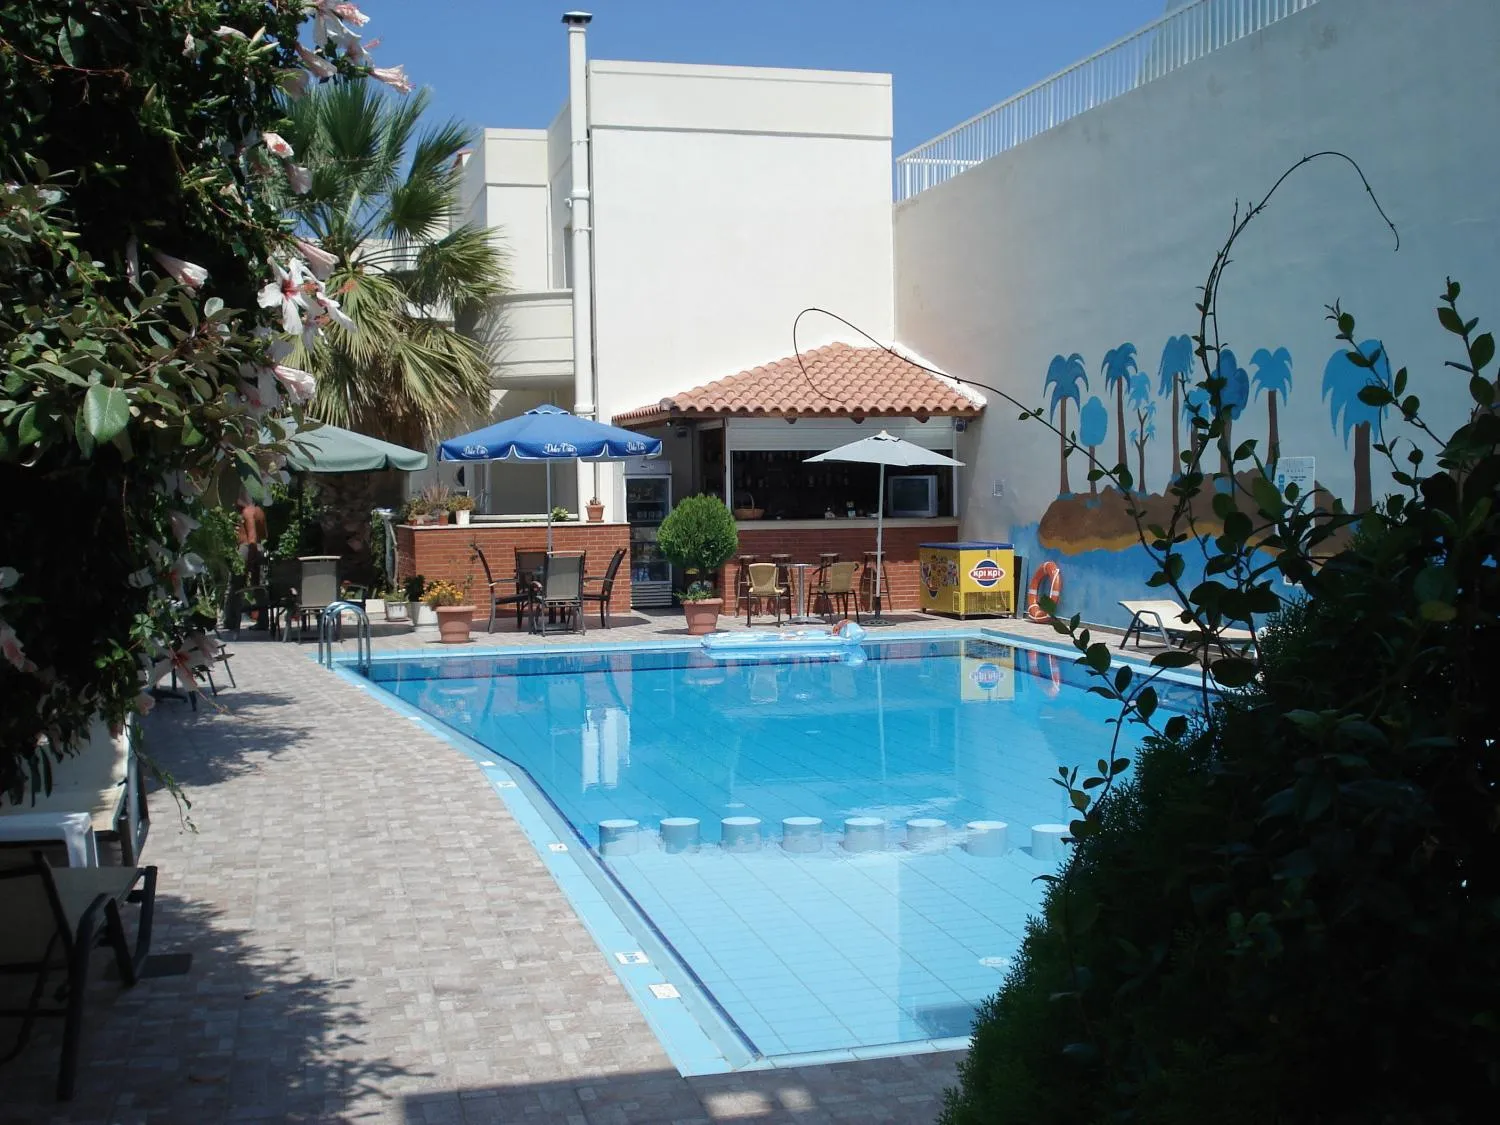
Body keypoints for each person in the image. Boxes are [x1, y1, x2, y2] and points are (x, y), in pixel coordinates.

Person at [236, 496, 267, 587]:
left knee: (237, 585)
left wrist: (250, 559)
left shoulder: (247, 512)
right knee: (259, 584)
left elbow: (252, 538)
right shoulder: (259, 511)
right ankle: (261, 600)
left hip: (247, 549)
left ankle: (236, 601)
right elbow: (264, 535)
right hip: (259, 547)